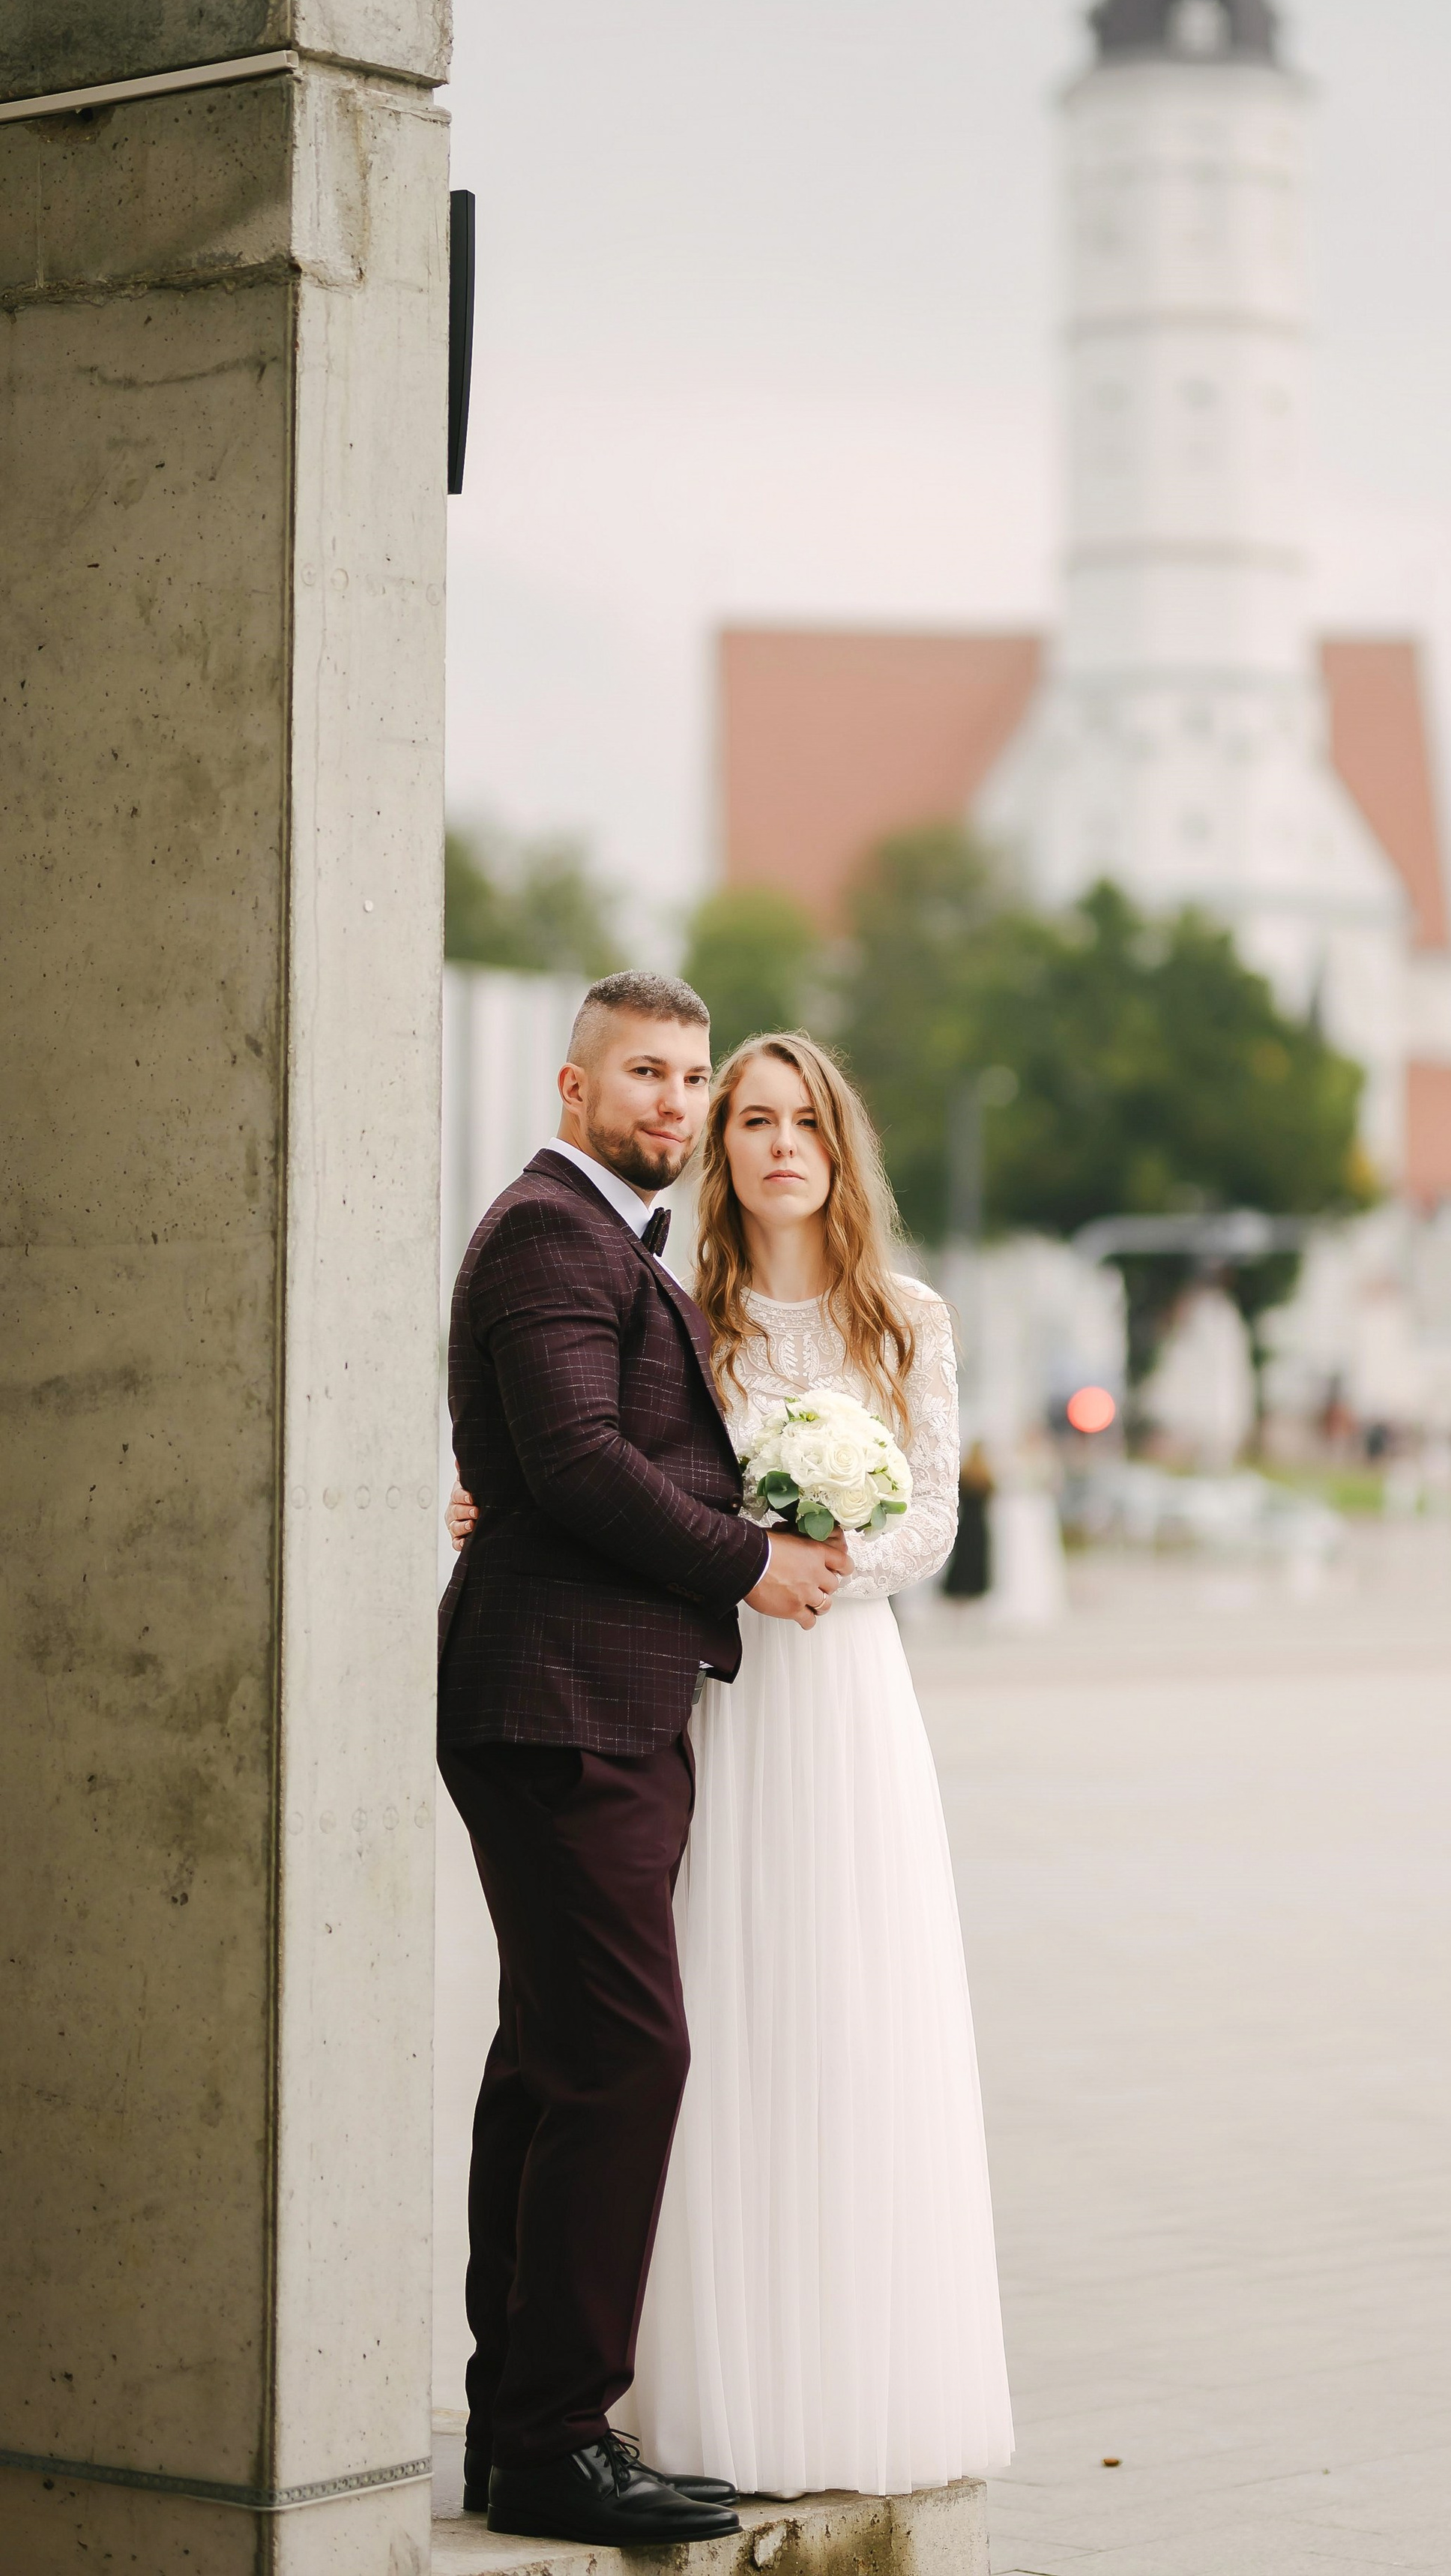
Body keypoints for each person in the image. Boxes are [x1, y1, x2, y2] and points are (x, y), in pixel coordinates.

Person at [450, 1027, 1015, 2500]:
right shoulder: (680, 1306)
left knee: (839, 2016)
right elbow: (600, 1464)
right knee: (664, 2034)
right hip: (696, 1692)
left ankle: (832, 2371)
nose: (772, 1143)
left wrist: (812, 1560)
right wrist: (504, 1503)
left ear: (838, 1148)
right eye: (747, 1117)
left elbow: (931, 1524)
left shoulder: (905, 1316)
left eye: (800, 1121)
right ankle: (651, 2390)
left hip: (835, 1691)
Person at [437, 971, 850, 2550]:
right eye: (647, 1078)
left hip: (592, 1700)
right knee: (625, 2058)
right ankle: (555, 2438)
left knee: (548, 2063)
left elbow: (560, 1459)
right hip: (559, 1704)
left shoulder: (614, 1240)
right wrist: (745, 1561)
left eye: (692, 1078)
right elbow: (579, 1458)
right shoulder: (553, 1227)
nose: (675, 1104)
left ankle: (511, 2425)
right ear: (571, 1087)